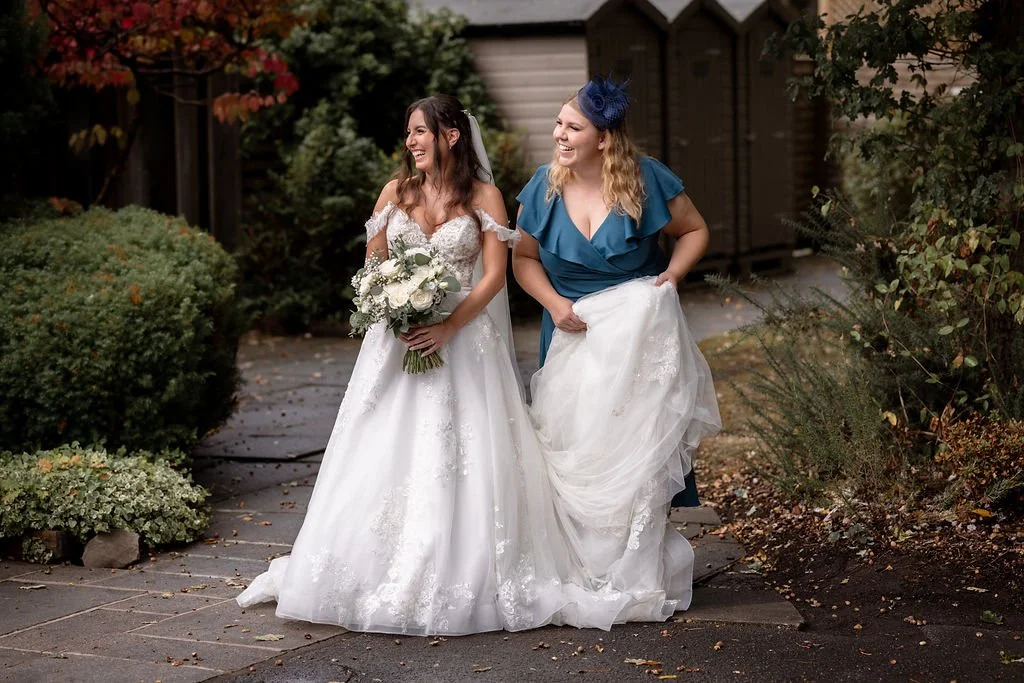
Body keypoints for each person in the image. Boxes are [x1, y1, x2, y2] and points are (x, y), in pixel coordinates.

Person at [235, 95, 569, 635]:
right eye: (409, 133)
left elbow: (492, 276)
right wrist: (390, 304)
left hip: (464, 340)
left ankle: (466, 566)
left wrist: (448, 324)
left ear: (451, 136)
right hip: (398, 340)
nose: (411, 142)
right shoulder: (396, 192)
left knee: (469, 451)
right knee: (381, 444)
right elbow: (374, 264)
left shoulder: (484, 196)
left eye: (420, 132)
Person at [512, 78, 722, 622]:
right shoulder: (542, 187)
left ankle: (635, 566)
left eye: (572, 127)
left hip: (637, 339)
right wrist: (556, 305)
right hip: (570, 332)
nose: (559, 134)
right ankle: (578, 566)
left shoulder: (646, 179)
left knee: (636, 454)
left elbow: (695, 230)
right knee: (573, 449)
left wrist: (672, 277)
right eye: (559, 123)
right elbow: (524, 260)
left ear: (604, 139)